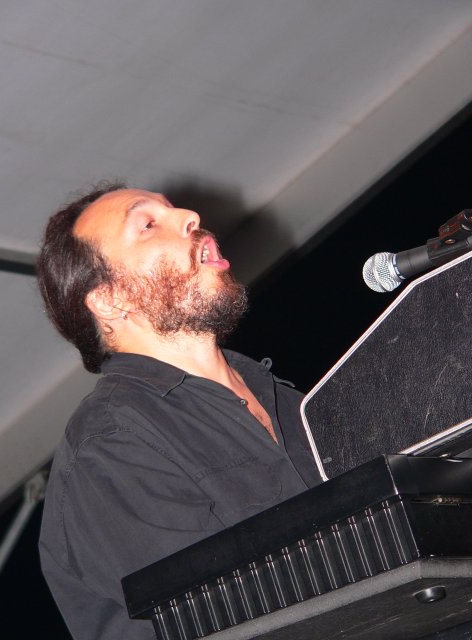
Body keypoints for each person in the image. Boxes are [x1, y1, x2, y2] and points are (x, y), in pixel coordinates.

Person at [37, 182, 322, 639]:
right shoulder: (110, 445)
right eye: (148, 224)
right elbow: (226, 619)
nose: (191, 216)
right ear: (110, 299)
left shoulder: (294, 402)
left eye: (174, 209)